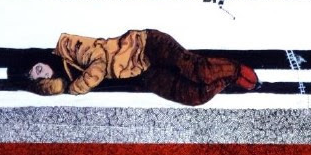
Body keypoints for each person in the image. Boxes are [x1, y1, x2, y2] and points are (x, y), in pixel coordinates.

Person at [19, 28, 258, 106]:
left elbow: (98, 63)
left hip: (144, 46)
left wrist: (76, 88)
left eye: (38, 68)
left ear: (41, 58)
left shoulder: (68, 45)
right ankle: (227, 79)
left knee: (198, 71)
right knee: (192, 96)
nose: (43, 73)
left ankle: (237, 70)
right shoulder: (66, 76)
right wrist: (60, 87)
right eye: (38, 78)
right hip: (142, 72)